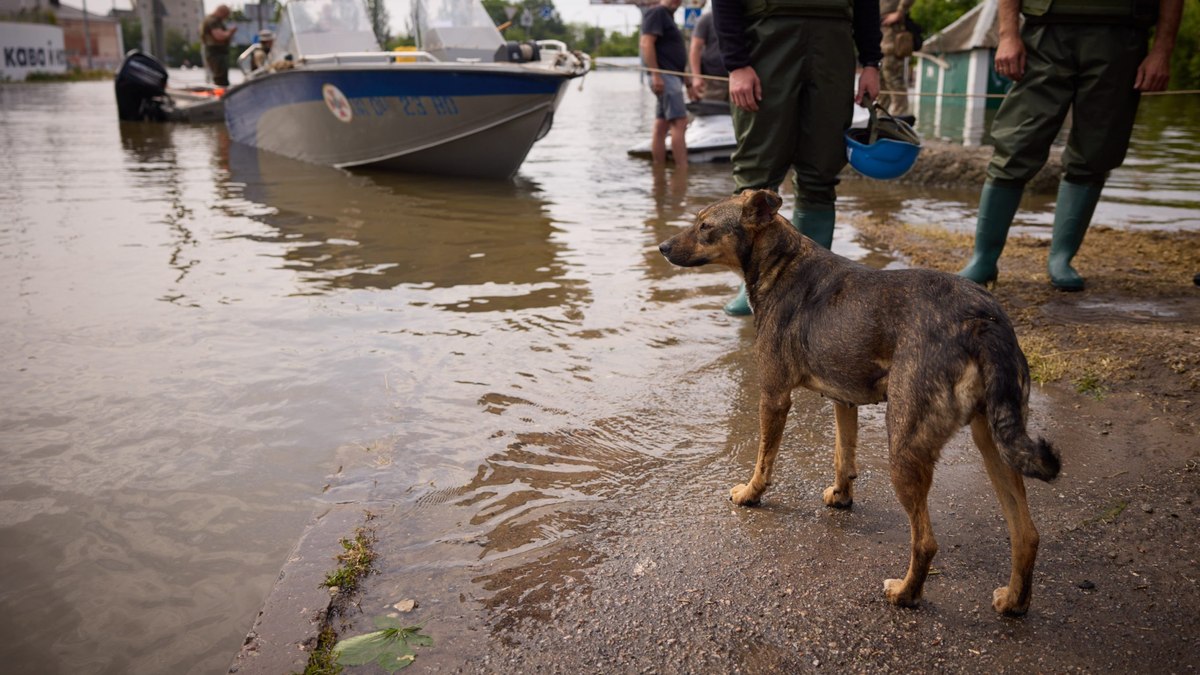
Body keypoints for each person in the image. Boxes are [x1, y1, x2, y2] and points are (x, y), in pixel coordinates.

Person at [960, 0, 1182, 292]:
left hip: (1122, 37)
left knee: (1096, 149)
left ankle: (1061, 258)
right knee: (1016, 142)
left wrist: (1162, 50)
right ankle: (984, 259)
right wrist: (1008, 35)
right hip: (1044, 34)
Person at [711, 0, 881, 315]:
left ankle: (813, 284)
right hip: (766, 39)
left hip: (834, 42)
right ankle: (753, 283)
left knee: (822, 168)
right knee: (756, 171)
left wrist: (871, 61)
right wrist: (736, 63)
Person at [640, 0, 693, 169]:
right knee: (679, 122)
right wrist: (656, 74)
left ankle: (659, 171)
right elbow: (646, 43)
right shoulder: (658, 13)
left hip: (671, 76)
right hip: (665, 76)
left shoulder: (667, 17)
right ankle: (682, 171)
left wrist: (685, 77)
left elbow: (672, 51)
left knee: (662, 124)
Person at [878, 0, 914, 118]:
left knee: (893, 78)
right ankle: (880, 118)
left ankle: (901, 116)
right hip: (880, 36)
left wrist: (900, 12)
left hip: (892, 37)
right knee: (881, 81)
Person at [689, 9, 729, 103]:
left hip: (735, 77)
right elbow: (695, 48)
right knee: (710, 113)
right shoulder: (707, 19)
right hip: (712, 80)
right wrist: (696, 77)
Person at [200, 4, 238, 86]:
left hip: (218, 52)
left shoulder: (216, 21)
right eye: (225, 15)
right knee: (220, 78)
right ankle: (221, 95)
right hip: (215, 53)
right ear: (221, 12)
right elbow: (219, 36)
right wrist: (230, 32)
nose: (225, 18)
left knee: (221, 77)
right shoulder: (212, 21)